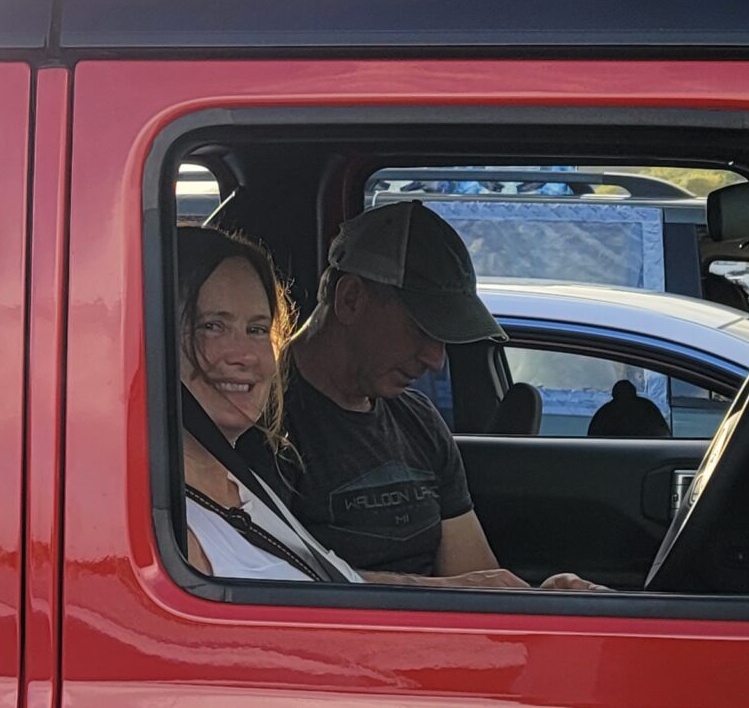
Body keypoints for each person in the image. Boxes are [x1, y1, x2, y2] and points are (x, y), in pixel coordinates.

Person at [255, 203, 577, 588]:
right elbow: (266, 584)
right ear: (351, 299)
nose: (436, 360)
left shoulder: (418, 419)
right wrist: (444, 592)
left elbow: (478, 582)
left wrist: (547, 601)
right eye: (422, 329)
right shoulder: (260, 420)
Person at [174, 226, 358, 582]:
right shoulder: (172, 538)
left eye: (257, 330)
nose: (245, 356)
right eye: (212, 326)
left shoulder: (242, 486)